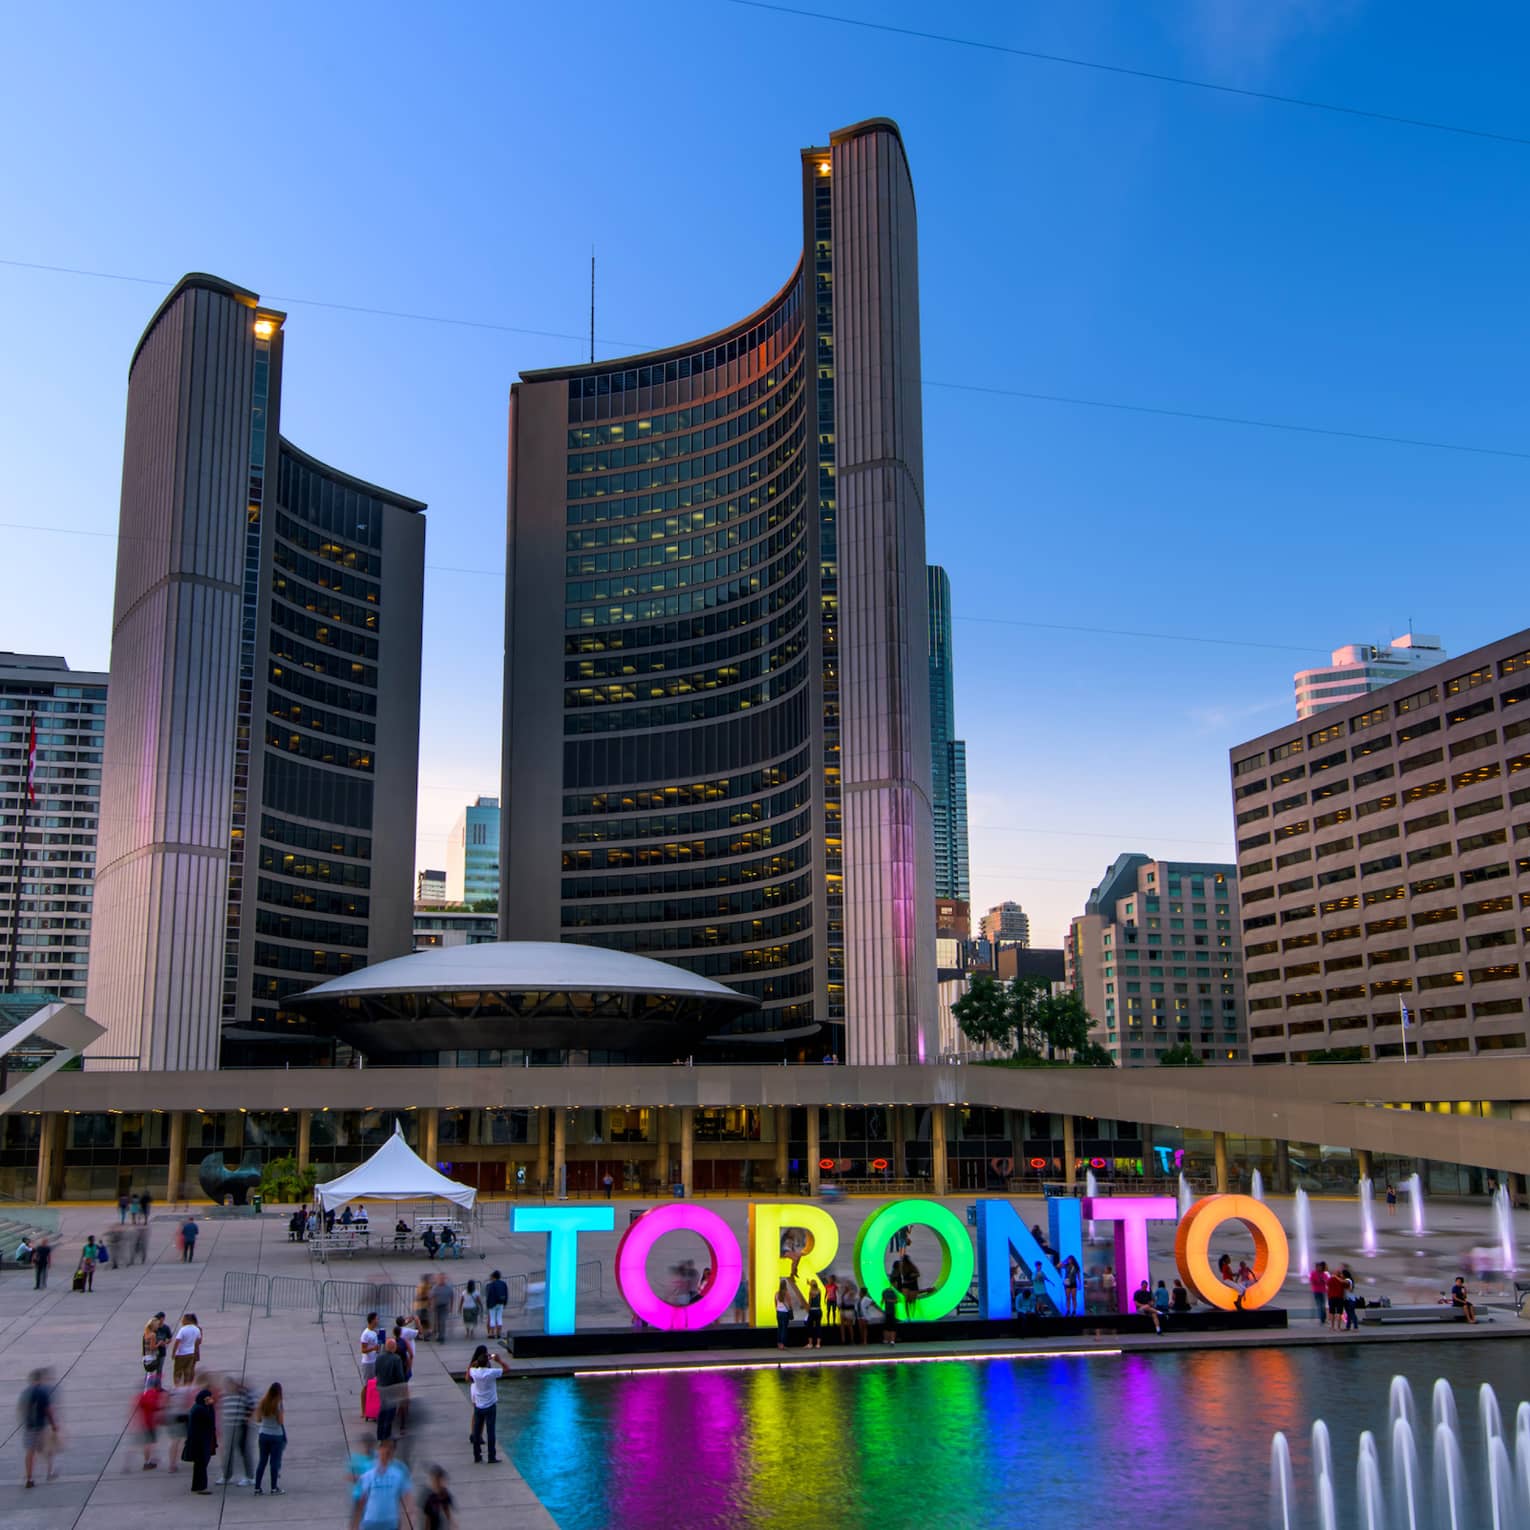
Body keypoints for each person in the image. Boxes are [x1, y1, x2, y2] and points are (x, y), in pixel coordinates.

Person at [352, 1437, 415, 1530]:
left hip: (390, 1522)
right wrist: (355, 1524)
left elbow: (407, 1496)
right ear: (379, 1449)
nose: (387, 1451)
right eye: (384, 1447)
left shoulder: (399, 1472)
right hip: (371, 1522)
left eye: (390, 1448)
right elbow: (359, 1501)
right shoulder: (368, 1471)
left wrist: (409, 1517)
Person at [18, 1368, 58, 1490]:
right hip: (41, 1426)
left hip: (29, 1426)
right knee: (48, 1449)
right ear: (40, 1379)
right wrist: (53, 1424)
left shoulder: (25, 1392)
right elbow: (48, 1410)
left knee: (30, 1452)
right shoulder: (42, 1392)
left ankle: (29, 1478)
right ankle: (49, 1473)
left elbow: (21, 1408)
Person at [466, 1345, 505, 1464]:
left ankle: (477, 1456)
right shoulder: (491, 1373)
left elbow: (468, 1372)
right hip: (490, 1406)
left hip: (479, 1406)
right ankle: (491, 1456)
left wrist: (475, 1362)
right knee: (490, 1431)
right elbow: (507, 1369)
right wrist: (499, 1360)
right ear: (487, 1362)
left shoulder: (475, 1372)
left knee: (477, 1432)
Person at [215, 1374, 254, 1487]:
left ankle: (249, 1477)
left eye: (230, 1385)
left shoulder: (242, 1395)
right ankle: (227, 1476)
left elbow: (251, 1408)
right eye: (226, 1385)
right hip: (227, 1427)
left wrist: (247, 1421)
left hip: (239, 1426)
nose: (228, 1387)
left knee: (243, 1451)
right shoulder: (224, 1396)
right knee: (227, 1452)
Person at [183, 1387, 217, 1495]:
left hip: (196, 1441)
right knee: (202, 1465)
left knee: (198, 1465)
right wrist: (211, 1406)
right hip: (200, 1442)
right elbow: (211, 1421)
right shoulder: (201, 1410)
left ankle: (196, 1486)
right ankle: (201, 1487)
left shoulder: (196, 1407)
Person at [253, 1382, 286, 1495]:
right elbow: (280, 1421)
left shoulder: (263, 1402)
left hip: (263, 1434)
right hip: (276, 1435)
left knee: (262, 1461)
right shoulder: (279, 1404)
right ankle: (273, 1488)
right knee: (274, 1463)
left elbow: (258, 1419)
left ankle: (257, 1488)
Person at [373, 1338, 407, 1442]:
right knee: (390, 1412)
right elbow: (400, 1376)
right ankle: (386, 1435)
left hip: (381, 1387)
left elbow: (375, 1372)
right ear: (393, 1347)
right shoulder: (396, 1359)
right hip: (392, 1389)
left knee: (382, 1410)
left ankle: (379, 1435)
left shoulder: (378, 1357)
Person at [130, 1377, 164, 1470]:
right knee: (151, 1442)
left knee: (147, 1442)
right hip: (152, 1422)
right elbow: (157, 1406)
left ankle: (148, 1460)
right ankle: (149, 1461)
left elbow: (138, 1406)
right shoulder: (155, 1394)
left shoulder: (143, 1395)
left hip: (144, 1422)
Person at [360, 1313, 382, 1420]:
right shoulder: (365, 1334)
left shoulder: (374, 1332)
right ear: (373, 1320)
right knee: (366, 1386)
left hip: (374, 1361)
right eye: (377, 1319)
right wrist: (373, 1349)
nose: (378, 1320)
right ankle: (363, 1410)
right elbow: (363, 1350)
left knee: (374, 1386)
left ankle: (372, 1408)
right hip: (368, 1363)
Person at [422, 1464, 456, 1529]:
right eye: (435, 1480)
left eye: (440, 1480)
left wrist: (451, 1521)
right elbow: (427, 1517)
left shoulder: (444, 1493)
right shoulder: (430, 1497)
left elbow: (446, 1508)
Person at [172, 1313, 202, 1386]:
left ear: (187, 1320)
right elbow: (198, 1341)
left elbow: (177, 1342)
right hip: (191, 1353)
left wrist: (173, 1353)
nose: (182, 1321)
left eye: (183, 1320)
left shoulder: (183, 1329)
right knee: (187, 1371)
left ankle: (177, 1386)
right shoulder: (197, 1329)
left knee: (177, 1372)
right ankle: (186, 1387)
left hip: (181, 1353)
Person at [143, 1311, 171, 1380]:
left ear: (163, 1319)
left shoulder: (166, 1328)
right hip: (152, 1354)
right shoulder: (152, 1332)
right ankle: (150, 1388)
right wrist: (159, 1343)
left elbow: (169, 1338)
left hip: (160, 1353)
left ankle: (157, 1387)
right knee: (150, 1373)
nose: (158, 1321)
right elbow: (150, 1346)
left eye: (159, 1318)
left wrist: (165, 1342)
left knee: (158, 1370)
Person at [484, 1271, 508, 1339]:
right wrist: (505, 1303)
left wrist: (488, 1304)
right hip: (501, 1303)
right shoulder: (503, 1284)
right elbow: (506, 1293)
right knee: (499, 1318)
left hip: (492, 1304)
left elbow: (489, 1295)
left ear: (493, 1277)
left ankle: (492, 1333)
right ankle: (499, 1333)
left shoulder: (491, 1285)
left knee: (492, 1319)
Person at [431, 1272, 454, 1342]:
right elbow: (432, 1297)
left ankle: (442, 1336)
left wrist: (451, 1307)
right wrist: (432, 1305)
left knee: (442, 1321)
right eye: (440, 1278)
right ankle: (438, 1334)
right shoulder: (435, 1287)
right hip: (437, 1307)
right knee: (437, 1322)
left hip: (444, 1306)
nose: (441, 1280)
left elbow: (452, 1296)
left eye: (443, 1278)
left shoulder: (448, 1287)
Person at [1326, 1266, 1348, 1332]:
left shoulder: (1330, 1279)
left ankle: (1332, 1327)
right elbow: (1345, 1287)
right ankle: (1338, 1327)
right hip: (1339, 1297)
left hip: (1331, 1297)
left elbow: (1327, 1285)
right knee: (1339, 1313)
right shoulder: (1341, 1279)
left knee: (1332, 1312)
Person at [774, 1279, 794, 1349]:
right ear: (785, 1285)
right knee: (784, 1329)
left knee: (779, 1328)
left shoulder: (777, 1293)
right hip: (785, 1313)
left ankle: (779, 1343)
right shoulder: (786, 1293)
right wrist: (791, 1309)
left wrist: (777, 1309)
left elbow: (775, 1303)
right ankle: (782, 1344)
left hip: (779, 1312)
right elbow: (789, 1303)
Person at [805, 1279, 824, 1349]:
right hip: (819, 1310)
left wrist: (806, 1309)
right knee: (818, 1326)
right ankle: (818, 1344)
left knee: (810, 1326)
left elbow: (809, 1303)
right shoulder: (819, 1291)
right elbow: (813, 1285)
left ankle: (810, 1343)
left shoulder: (811, 1292)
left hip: (812, 1311)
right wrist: (809, 1283)